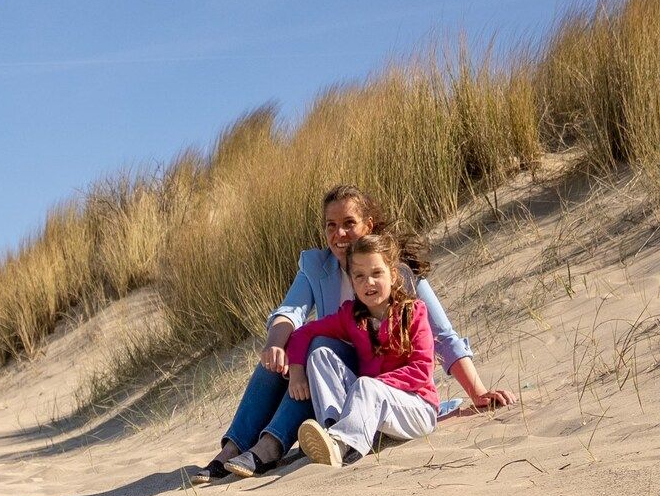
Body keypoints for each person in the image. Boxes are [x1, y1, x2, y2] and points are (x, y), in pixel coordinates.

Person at [207, 183, 511, 479]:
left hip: (379, 384)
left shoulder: (398, 275)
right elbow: (292, 315)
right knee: (287, 353)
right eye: (331, 225)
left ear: (368, 225)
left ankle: (272, 445)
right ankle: (234, 447)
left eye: (348, 223)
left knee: (320, 346)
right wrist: (280, 350)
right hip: (340, 379)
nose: (339, 234)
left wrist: (479, 392)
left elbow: (442, 336)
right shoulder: (319, 268)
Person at [283, 231, 439, 467]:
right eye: (360, 276)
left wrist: (372, 386)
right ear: (351, 280)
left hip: (417, 408)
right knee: (321, 355)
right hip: (371, 406)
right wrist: (296, 370)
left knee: (367, 386)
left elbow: (421, 371)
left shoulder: (413, 312)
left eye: (377, 273)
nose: (369, 283)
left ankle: (341, 444)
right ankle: (331, 430)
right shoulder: (352, 316)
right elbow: (303, 332)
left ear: (393, 274)